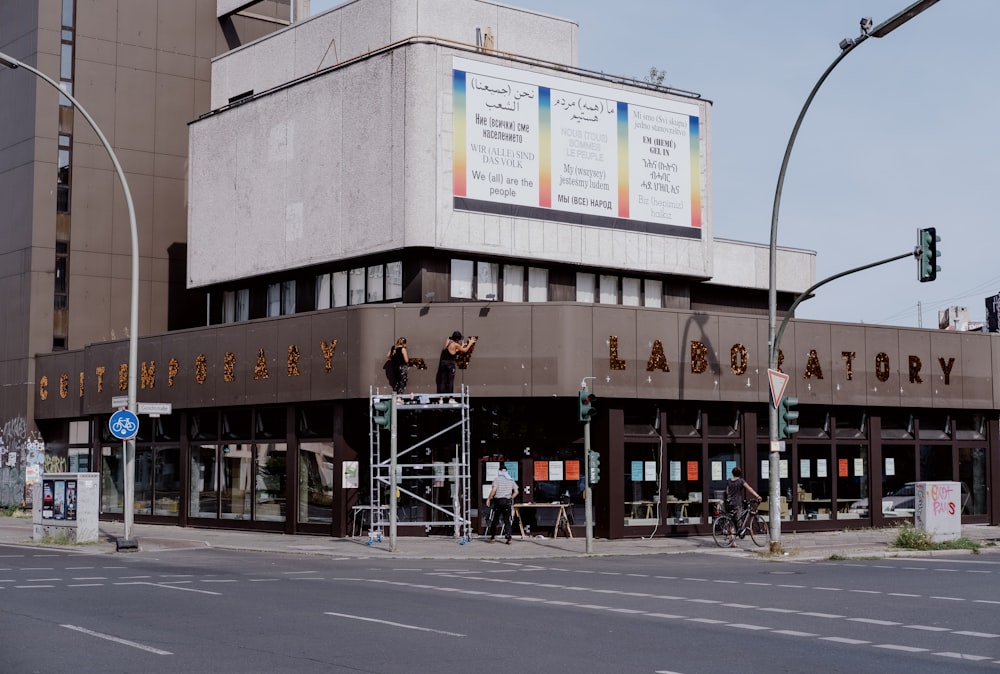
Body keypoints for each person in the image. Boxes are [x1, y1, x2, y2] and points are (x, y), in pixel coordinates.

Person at [435, 331, 477, 397]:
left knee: (442, 381)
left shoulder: (448, 340)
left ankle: (441, 398)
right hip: (450, 364)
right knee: (450, 381)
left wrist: (460, 347)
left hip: (443, 363)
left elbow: (451, 351)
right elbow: (465, 350)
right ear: (457, 339)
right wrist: (470, 343)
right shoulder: (456, 345)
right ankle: (450, 398)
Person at [485, 465, 518, 544]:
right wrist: (510, 498)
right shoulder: (511, 480)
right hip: (507, 501)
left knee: (495, 519)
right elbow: (516, 492)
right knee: (507, 520)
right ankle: (508, 537)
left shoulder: (497, 479)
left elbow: (494, 490)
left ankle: (492, 537)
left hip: (498, 501)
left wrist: (489, 498)